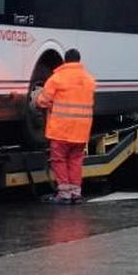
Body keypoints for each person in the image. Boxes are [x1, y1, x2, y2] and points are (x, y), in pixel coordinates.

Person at [36, 48, 96, 204]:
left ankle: (64, 194)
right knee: (76, 160)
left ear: (65, 60)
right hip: (81, 131)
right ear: (79, 60)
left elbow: (43, 100)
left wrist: (36, 99)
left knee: (59, 160)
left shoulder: (57, 78)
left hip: (61, 130)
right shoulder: (89, 80)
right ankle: (76, 193)